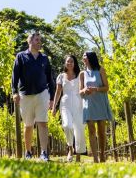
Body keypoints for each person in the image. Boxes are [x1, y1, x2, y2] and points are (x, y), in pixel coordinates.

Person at [12, 31, 55, 161]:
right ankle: (28, 152)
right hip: (25, 95)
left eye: (39, 40)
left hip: (42, 94)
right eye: (37, 40)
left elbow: (50, 79)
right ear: (29, 41)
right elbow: (15, 76)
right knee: (28, 125)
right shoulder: (20, 56)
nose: (39, 42)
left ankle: (44, 153)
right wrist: (14, 92)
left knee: (43, 123)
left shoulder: (44, 58)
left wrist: (52, 98)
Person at [51, 54, 86, 161]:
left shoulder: (80, 75)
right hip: (65, 104)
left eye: (71, 61)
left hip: (78, 103)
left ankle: (79, 155)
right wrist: (53, 107)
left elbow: (83, 89)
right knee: (67, 125)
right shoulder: (61, 76)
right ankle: (70, 148)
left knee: (79, 129)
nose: (69, 63)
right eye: (68, 61)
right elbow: (58, 92)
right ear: (65, 63)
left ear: (74, 63)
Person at [80, 50, 113, 163]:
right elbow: (80, 92)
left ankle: (102, 154)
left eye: (85, 56)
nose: (83, 58)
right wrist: (84, 90)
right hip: (89, 104)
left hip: (100, 102)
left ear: (90, 58)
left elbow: (106, 88)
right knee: (91, 130)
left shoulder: (101, 70)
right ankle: (95, 158)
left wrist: (96, 89)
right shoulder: (82, 74)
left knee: (101, 131)